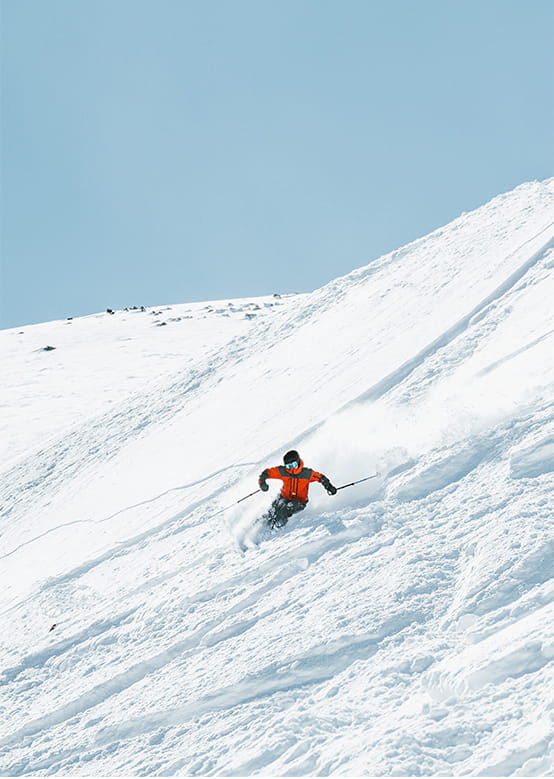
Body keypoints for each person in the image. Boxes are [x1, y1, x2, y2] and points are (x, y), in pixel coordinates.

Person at [258, 450, 337, 529]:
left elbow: (321, 478)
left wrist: (329, 487)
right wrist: (262, 483)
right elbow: (266, 473)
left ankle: (276, 527)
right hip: (284, 497)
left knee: (285, 509)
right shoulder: (283, 471)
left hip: (299, 502)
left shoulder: (306, 473)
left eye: (294, 465)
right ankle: (263, 522)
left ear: (298, 462)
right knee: (275, 508)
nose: (292, 469)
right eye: (289, 466)